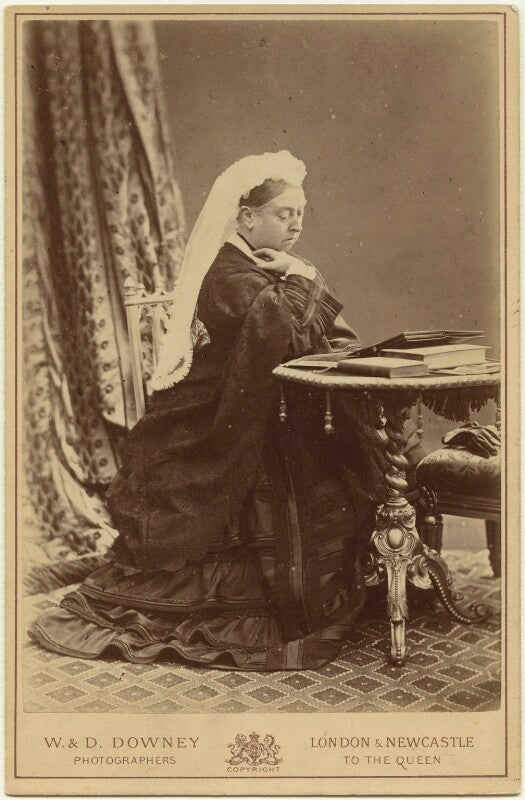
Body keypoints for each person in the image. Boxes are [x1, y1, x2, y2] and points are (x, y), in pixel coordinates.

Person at [29, 151, 395, 670]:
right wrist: (302, 273)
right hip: (222, 409)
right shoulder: (224, 271)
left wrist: (297, 277)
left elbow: (310, 331)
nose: (296, 224)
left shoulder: (267, 264)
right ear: (247, 217)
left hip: (268, 401)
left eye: (300, 213)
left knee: (342, 458)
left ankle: (359, 578)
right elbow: (281, 335)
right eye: (283, 214)